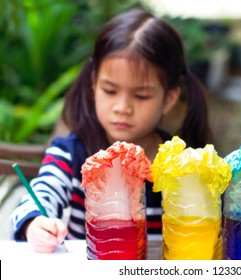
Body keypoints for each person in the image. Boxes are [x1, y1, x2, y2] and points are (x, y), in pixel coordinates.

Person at [11, 8, 212, 253]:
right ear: (94, 83)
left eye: (141, 95)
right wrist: (35, 222)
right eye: (109, 90)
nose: (122, 107)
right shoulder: (71, 152)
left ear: (169, 99)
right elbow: (42, 191)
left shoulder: (181, 166)